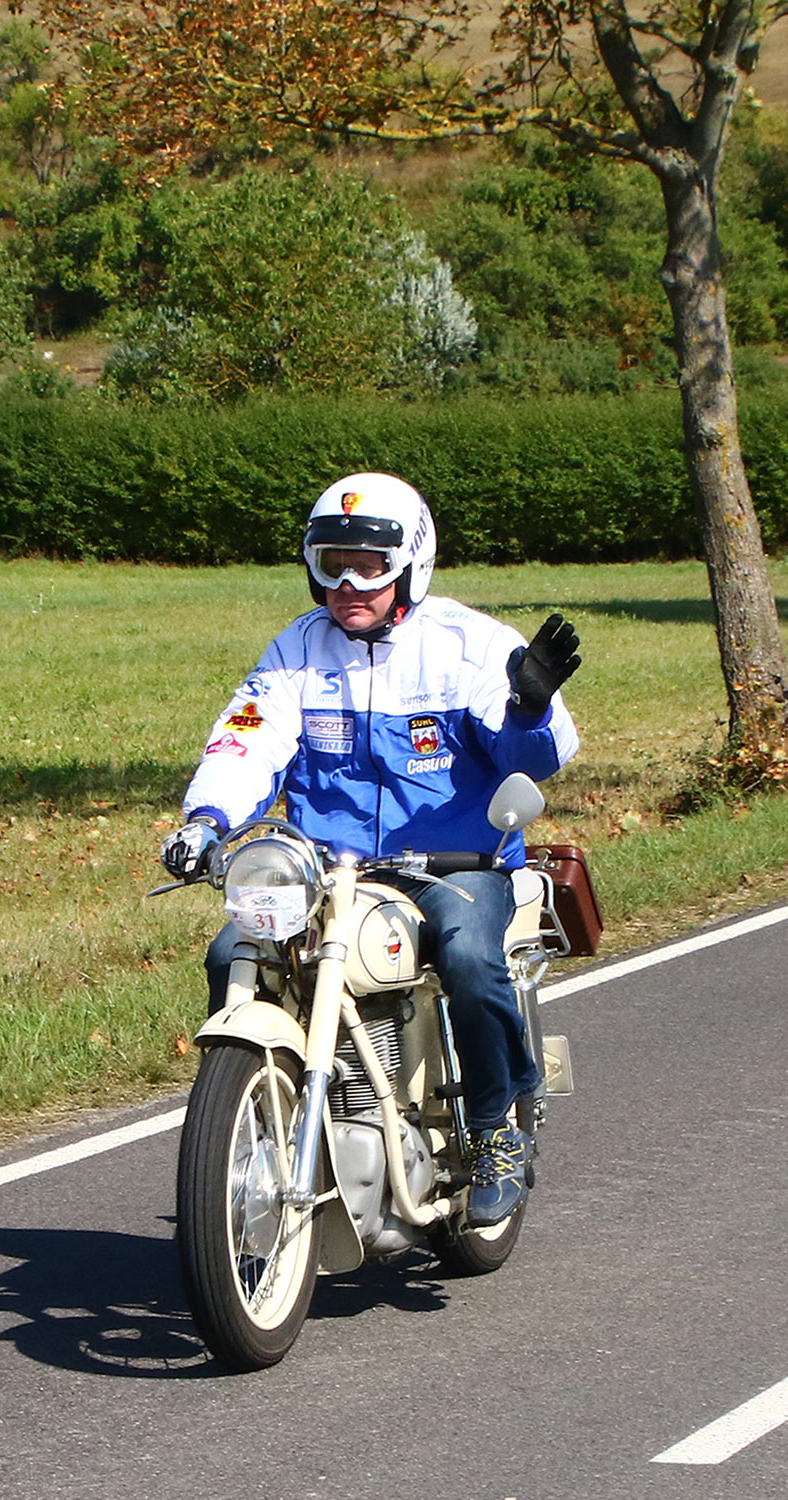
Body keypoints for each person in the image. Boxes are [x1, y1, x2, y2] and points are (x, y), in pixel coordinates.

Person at [161, 472, 580, 1226]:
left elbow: (537, 759)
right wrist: (208, 819)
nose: (348, 584)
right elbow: (246, 740)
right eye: (332, 564)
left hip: (455, 865)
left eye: (369, 566)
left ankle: (495, 1131)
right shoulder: (297, 650)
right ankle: (257, 1114)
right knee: (233, 953)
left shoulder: (471, 645)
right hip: (327, 871)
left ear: (411, 564)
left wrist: (530, 707)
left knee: (469, 960)